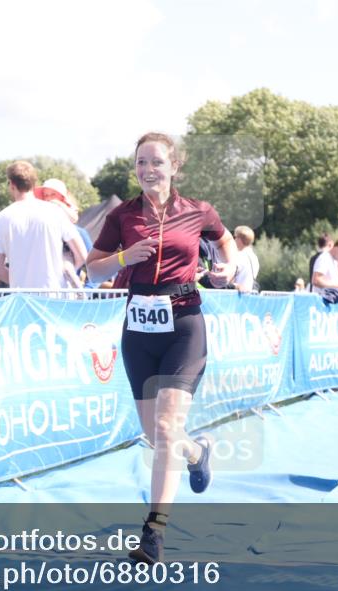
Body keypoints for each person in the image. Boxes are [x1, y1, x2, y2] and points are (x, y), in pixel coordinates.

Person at [86, 132, 238, 564]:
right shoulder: (121, 216)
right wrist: (123, 258)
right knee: (158, 437)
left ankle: (154, 531)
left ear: (174, 166)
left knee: (169, 426)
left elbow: (226, 243)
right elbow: (91, 271)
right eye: (140, 163)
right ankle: (198, 452)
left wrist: (229, 264)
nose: (148, 170)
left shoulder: (198, 212)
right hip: (138, 329)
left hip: (184, 323)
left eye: (156, 162)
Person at [0, 161, 88, 289]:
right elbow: (82, 255)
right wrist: (62, 276)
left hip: (22, 298)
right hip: (55, 295)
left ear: (12, 184)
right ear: (34, 184)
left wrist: (19, 283)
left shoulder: (0, 219)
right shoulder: (55, 212)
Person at [231, 225, 259, 292]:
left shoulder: (238, 256)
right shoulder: (254, 257)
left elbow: (230, 277)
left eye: (235, 237)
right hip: (249, 295)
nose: (234, 239)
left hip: (237, 295)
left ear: (239, 239)